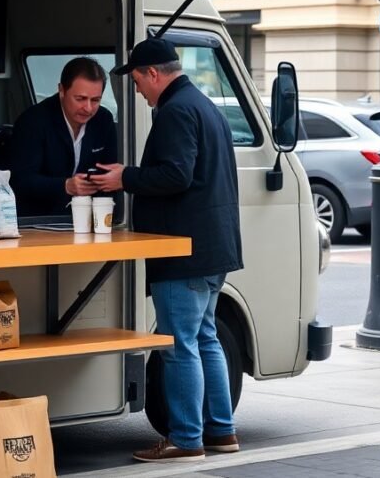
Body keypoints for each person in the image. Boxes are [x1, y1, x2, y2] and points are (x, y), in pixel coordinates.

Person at [90, 37, 243, 463]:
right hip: (213, 246)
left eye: (138, 82)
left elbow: (176, 175)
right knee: (206, 339)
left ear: (154, 74)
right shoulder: (205, 105)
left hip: (183, 250)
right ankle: (221, 431)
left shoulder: (175, 111)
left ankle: (186, 439)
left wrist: (127, 177)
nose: (137, 91)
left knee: (179, 345)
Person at [9, 57, 118, 217]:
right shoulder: (33, 121)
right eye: (80, 99)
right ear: (61, 90)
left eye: (95, 100)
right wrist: (65, 186)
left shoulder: (103, 120)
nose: (88, 108)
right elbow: (20, 181)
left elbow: (109, 170)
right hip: (36, 222)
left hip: (87, 219)